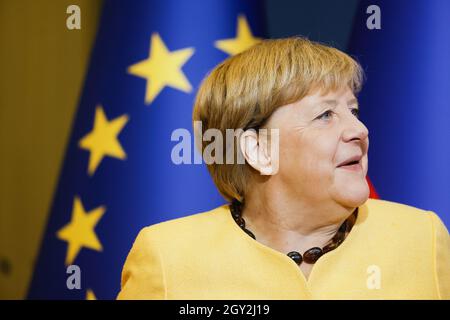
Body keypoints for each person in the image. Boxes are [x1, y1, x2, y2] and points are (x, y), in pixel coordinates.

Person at [117, 37, 450, 299]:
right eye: (326, 115)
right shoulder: (168, 257)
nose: (359, 130)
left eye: (354, 111)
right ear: (259, 150)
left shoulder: (421, 237)